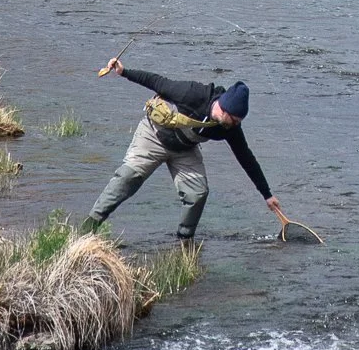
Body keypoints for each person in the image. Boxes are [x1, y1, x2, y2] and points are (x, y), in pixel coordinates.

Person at [81, 53, 288, 244]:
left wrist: (267, 195)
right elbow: (156, 81)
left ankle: (184, 242)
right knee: (127, 178)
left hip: (185, 149)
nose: (235, 124)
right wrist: (124, 72)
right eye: (234, 119)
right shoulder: (192, 94)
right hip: (153, 136)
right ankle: (87, 230)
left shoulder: (229, 127)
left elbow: (246, 158)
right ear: (224, 109)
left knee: (198, 193)